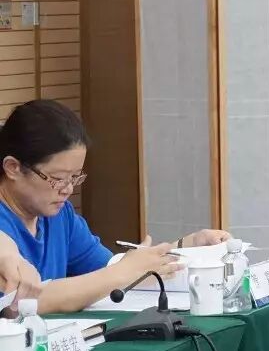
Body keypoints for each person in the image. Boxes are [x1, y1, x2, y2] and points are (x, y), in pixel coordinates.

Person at [0, 100, 232, 312]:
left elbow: (106, 269)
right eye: (58, 178)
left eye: (75, 177)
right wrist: (122, 272)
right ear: (13, 168)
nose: (68, 189)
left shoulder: (60, 216)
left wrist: (186, 247)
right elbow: (19, 303)